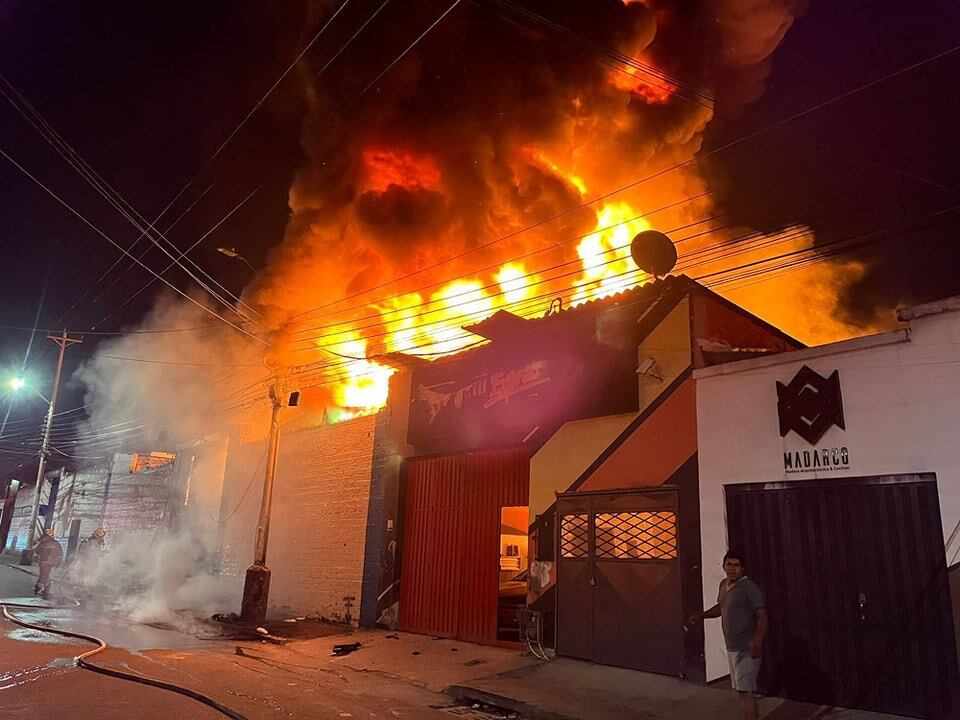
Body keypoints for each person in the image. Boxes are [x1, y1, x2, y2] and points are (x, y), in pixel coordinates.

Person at [691, 550, 768, 720]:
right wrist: (701, 615)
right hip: (731, 647)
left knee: (745, 692)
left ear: (743, 568)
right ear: (724, 566)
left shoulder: (749, 588)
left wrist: (757, 641)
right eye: (729, 564)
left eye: (736, 565)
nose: (732, 569)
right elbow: (721, 608)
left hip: (746, 648)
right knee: (741, 692)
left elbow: (762, 616)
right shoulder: (724, 584)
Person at [74, 528, 106, 596]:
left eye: (101, 534)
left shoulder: (100, 545)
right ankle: (80, 591)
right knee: (82, 577)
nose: (100, 536)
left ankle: (86, 591)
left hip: (93, 564)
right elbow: (81, 553)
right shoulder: (86, 543)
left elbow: (100, 554)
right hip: (85, 563)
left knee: (89, 578)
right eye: (99, 533)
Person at [33, 529, 64, 600]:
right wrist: (58, 562)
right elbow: (60, 553)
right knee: (46, 575)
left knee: (44, 575)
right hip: (52, 563)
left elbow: (37, 551)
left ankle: (41, 589)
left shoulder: (43, 543)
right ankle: (43, 589)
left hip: (44, 562)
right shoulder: (56, 543)